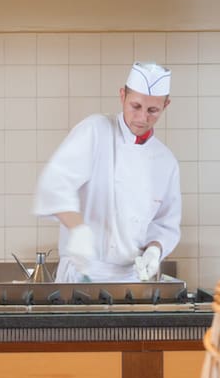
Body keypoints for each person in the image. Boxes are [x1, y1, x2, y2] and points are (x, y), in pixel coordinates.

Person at [33, 61, 184, 282]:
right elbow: (54, 184)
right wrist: (78, 229)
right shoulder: (95, 131)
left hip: (131, 280)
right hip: (83, 274)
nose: (142, 118)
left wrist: (155, 250)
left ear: (166, 105)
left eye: (153, 110)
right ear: (122, 96)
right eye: (136, 106)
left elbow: (165, 224)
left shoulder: (166, 161)